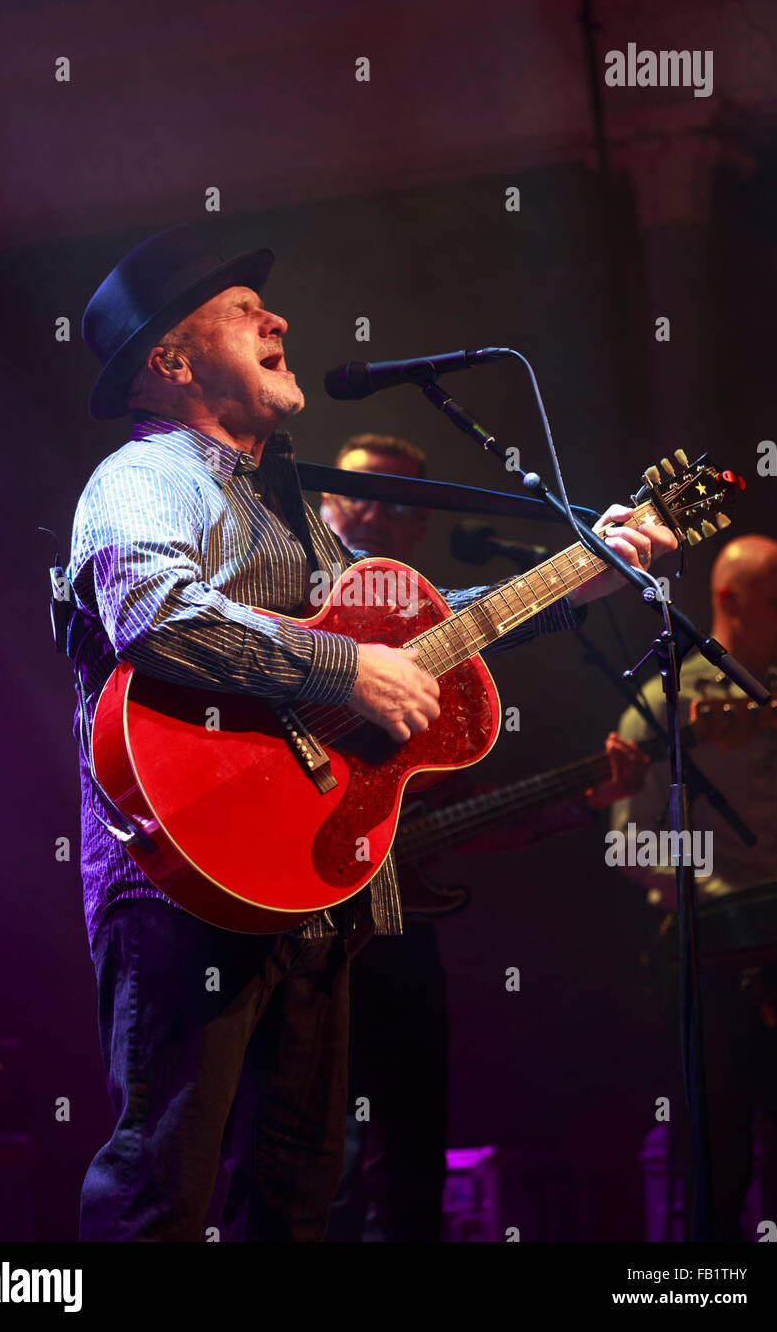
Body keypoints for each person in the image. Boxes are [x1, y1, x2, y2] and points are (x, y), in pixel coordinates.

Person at [67, 221, 676, 1242]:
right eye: (240, 310)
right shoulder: (147, 475)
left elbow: (426, 630)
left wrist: (586, 571)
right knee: (162, 1186)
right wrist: (346, 666)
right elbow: (159, 615)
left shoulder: (287, 501)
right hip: (186, 866)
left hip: (314, 872)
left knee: (302, 1194)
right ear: (169, 361)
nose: (278, 318)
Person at [313, 434, 651, 1241]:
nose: (376, 514)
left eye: (400, 502)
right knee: (321, 1151)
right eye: (358, 493)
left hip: (398, 928)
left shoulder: (435, 619)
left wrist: (582, 799)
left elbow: (454, 810)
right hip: (305, 917)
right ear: (324, 502)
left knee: (412, 1148)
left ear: (422, 526)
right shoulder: (291, 600)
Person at [610, 533, 777, 1240]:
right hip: (717, 959)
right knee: (717, 1149)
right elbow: (628, 842)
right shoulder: (666, 705)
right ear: (726, 600)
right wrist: (708, 891)